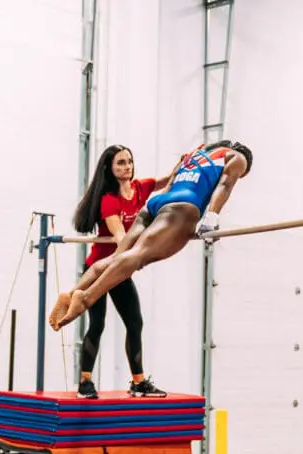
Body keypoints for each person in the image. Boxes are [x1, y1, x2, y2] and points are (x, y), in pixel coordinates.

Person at [49, 139, 253, 332]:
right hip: (184, 206)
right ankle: (85, 298)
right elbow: (225, 184)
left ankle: (72, 292)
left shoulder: (197, 153)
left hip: (157, 203)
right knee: (138, 256)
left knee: (117, 258)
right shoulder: (237, 157)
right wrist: (210, 220)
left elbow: (170, 182)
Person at [69, 144, 170, 399]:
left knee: (135, 322)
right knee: (97, 323)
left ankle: (138, 382)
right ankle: (85, 382)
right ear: (110, 169)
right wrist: (143, 249)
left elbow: (167, 180)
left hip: (121, 268)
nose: (127, 167)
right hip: (100, 269)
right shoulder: (108, 200)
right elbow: (120, 237)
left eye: (129, 162)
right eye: (121, 163)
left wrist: (188, 161)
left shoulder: (140, 188)